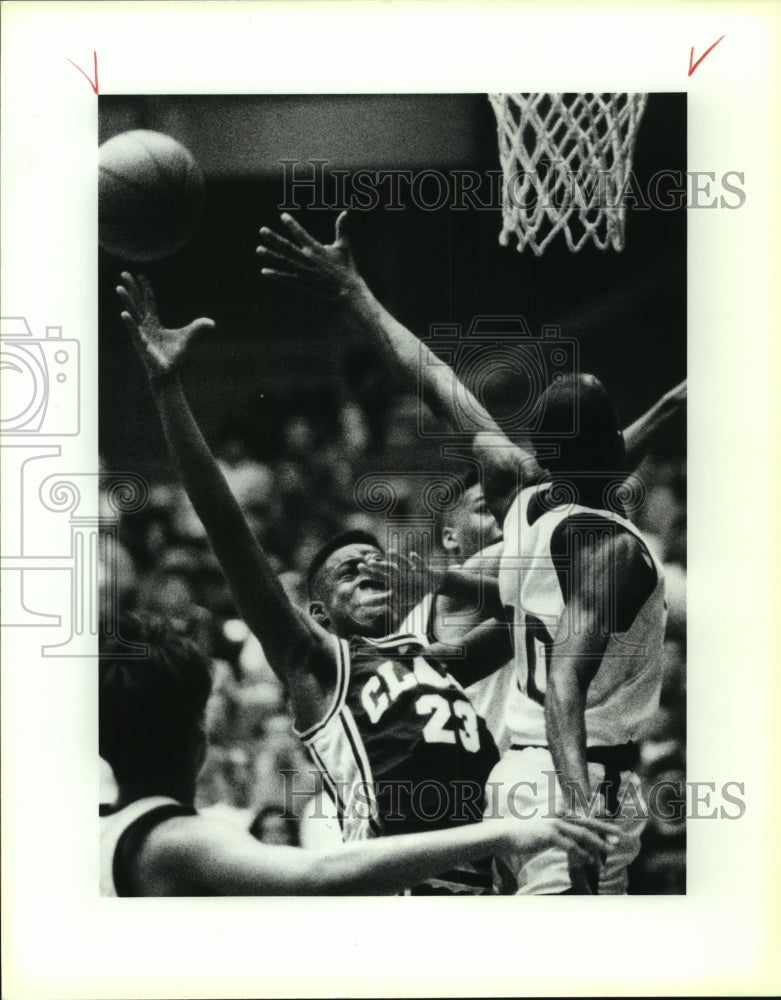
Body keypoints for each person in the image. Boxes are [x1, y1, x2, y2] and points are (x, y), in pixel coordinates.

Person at [256, 212, 681, 895]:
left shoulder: (534, 523)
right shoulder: (564, 551)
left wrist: (355, 293)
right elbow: (554, 674)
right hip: (530, 793)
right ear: (449, 531)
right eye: (475, 510)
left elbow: (444, 388)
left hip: (501, 796)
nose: (492, 513)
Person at [116, 272, 511, 894]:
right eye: (346, 571)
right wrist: (168, 390)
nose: (367, 568)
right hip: (394, 892)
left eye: (373, 560)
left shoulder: (434, 660)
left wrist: (449, 576)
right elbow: (228, 528)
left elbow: (533, 607)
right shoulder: (317, 661)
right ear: (320, 613)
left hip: (479, 887)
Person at [99, 614, 617, 896]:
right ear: (199, 741)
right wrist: (507, 830)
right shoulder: (178, 841)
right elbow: (319, 875)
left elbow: (518, 618)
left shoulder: (96, 828)